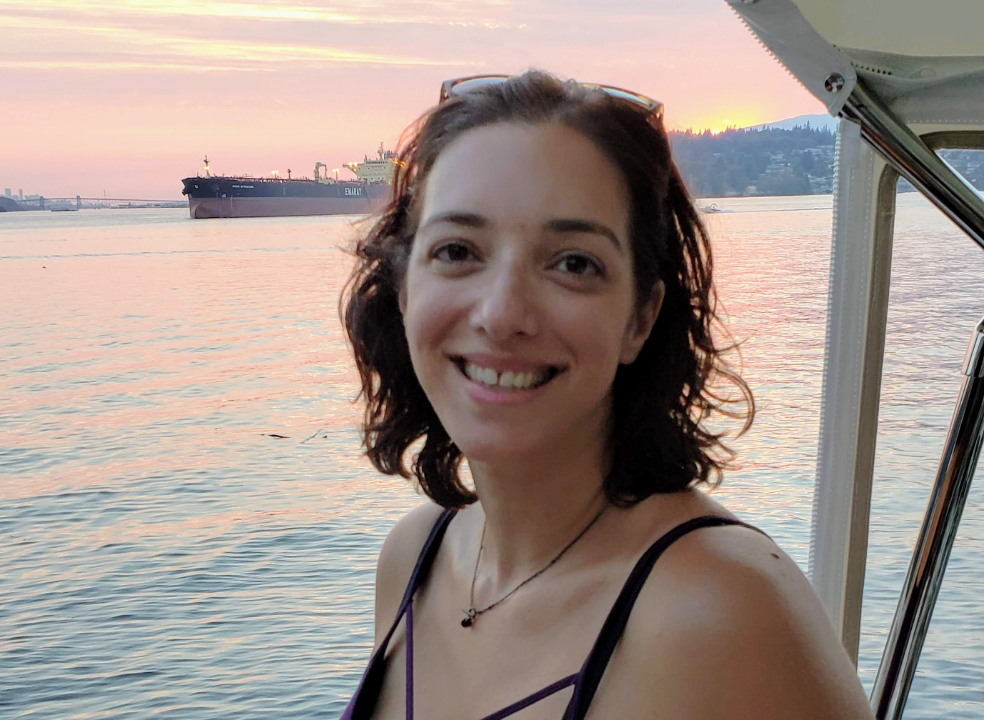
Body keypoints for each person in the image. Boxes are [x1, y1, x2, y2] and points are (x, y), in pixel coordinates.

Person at [339, 70, 873, 720]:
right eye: (457, 250)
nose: (503, 313)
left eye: (573, 263)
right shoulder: (414, 560)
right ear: (403, 289)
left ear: (641, 318)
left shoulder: (719, 611)